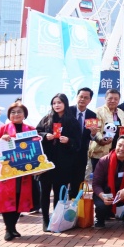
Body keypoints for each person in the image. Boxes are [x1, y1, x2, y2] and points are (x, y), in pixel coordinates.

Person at [0, 102, 35, 241]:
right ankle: (8, 229)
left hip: (23, 171)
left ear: (24, 114)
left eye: (19, 112)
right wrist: (0, 141)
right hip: (6, 171)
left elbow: (36, 148)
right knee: (6, 199)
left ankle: (13, 227)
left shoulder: (30, 129)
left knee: (19, 197)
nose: (16, 114)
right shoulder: (2, 129)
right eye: (13, 112)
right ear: (9, 115)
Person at [35, 93, 82, 232]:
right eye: (54, 103)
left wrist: (68, 141)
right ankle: (45, 219)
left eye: (59, 102)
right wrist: (44, 136)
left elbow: (78, 143)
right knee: (44, 192)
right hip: (46, 163)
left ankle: (56, 219)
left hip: (63, 164)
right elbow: (36, 134)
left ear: (65, 104)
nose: (57, 105)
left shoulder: (72, 121)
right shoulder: (46, 119)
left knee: (59, 192)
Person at [91, 136, 124, 228]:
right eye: (120, 145)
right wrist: (103, 196)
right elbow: (96, 184)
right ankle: (100, 218)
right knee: (102, 206)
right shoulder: (104, 161)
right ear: (115, 146)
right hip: (107, 192)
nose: (121, 149)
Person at [89, 89, 124, 171]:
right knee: (99, 177)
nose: (113, 101)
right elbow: (96, 129)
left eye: (116, 99)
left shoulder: (122, 113)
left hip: (118, 150)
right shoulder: (97, 111)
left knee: (115, 177)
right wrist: (101, 140)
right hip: (101, 150)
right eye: (110, 98)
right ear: (105, 98)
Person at [68, 87, 97, 198]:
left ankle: (74, 203)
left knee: (78, 178)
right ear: (76, 97)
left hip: (81, 151)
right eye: (81, 96)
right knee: (65, 178)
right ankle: (62, 204)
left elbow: (91, 137)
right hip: (67, 150)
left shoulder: (92, 115)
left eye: (86, 98)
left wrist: (93, 134)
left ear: (90, 100)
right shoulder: (68, 111)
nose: (83, 99)